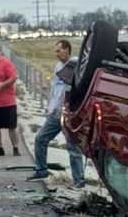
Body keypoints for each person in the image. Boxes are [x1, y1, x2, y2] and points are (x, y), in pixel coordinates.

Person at [26, 40, 86, 187]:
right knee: (41, 138)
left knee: (73, 147)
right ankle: (41, 170)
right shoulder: (58, 67)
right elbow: (55, 90)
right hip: (56, 112)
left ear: (67, 50)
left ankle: (79, 180)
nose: (56, 53)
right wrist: (50, 107)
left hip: (69, 114)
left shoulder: (76, 65)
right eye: (56, 51)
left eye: (59, 50)